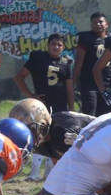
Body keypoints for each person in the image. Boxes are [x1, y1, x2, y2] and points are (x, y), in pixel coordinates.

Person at [14, 33, 74, 181]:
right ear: (48, 45)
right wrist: (31, 95)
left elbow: (69, 88)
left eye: (59, 45)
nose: (56, 47)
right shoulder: (38, 57)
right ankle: (34, 172)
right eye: (53, 44)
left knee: (55, 137)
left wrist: (71, 109)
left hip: (60, 104)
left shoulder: (65, 63)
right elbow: (19, 77)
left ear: (63, 47)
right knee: (38, 136)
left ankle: (49, 172)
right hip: (40, 105)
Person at [73, 12, 111, 117]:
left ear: (106, 24)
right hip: (89, 83)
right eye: (94, 22)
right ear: (91, 26)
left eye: (100, 22)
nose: (98, 24)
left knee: (106, 116)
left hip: (107, 84)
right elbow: (79, 61)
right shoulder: (86, 37)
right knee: (90, 115)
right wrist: (73, 81)